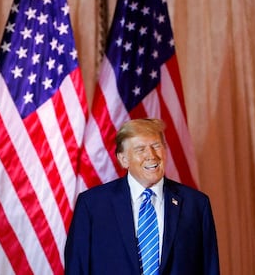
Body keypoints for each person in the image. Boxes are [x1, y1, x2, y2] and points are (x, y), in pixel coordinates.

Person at [64, 118, 220, 275]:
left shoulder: (196, 204)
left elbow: (210, 267)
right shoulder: (92, 205)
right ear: (124, 160)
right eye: (140, 149)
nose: (151, 155)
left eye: (156, 146)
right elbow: (77, 267)